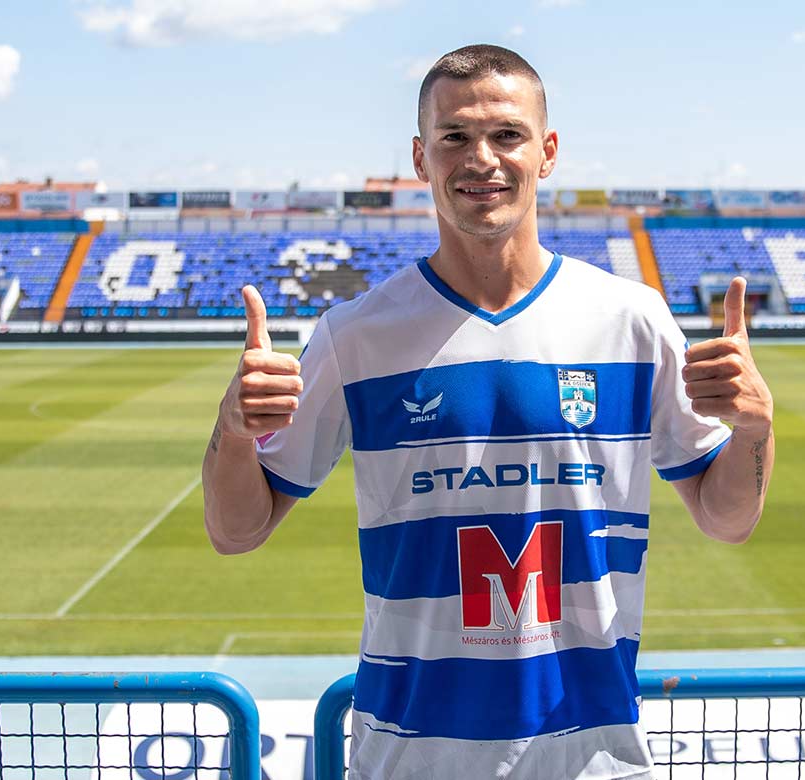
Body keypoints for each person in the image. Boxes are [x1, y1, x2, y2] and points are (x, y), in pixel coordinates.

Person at [203, 44, 774, 780]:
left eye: (507, 134)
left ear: (548, 151)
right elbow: (237, 530)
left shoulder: (632, 320)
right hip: (409, 760)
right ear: (421, 157)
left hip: (591, 760)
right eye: (455, 136)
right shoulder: (356, 336)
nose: (482, 159)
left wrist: (755, 429)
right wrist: (233, 429)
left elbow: (728, 518)